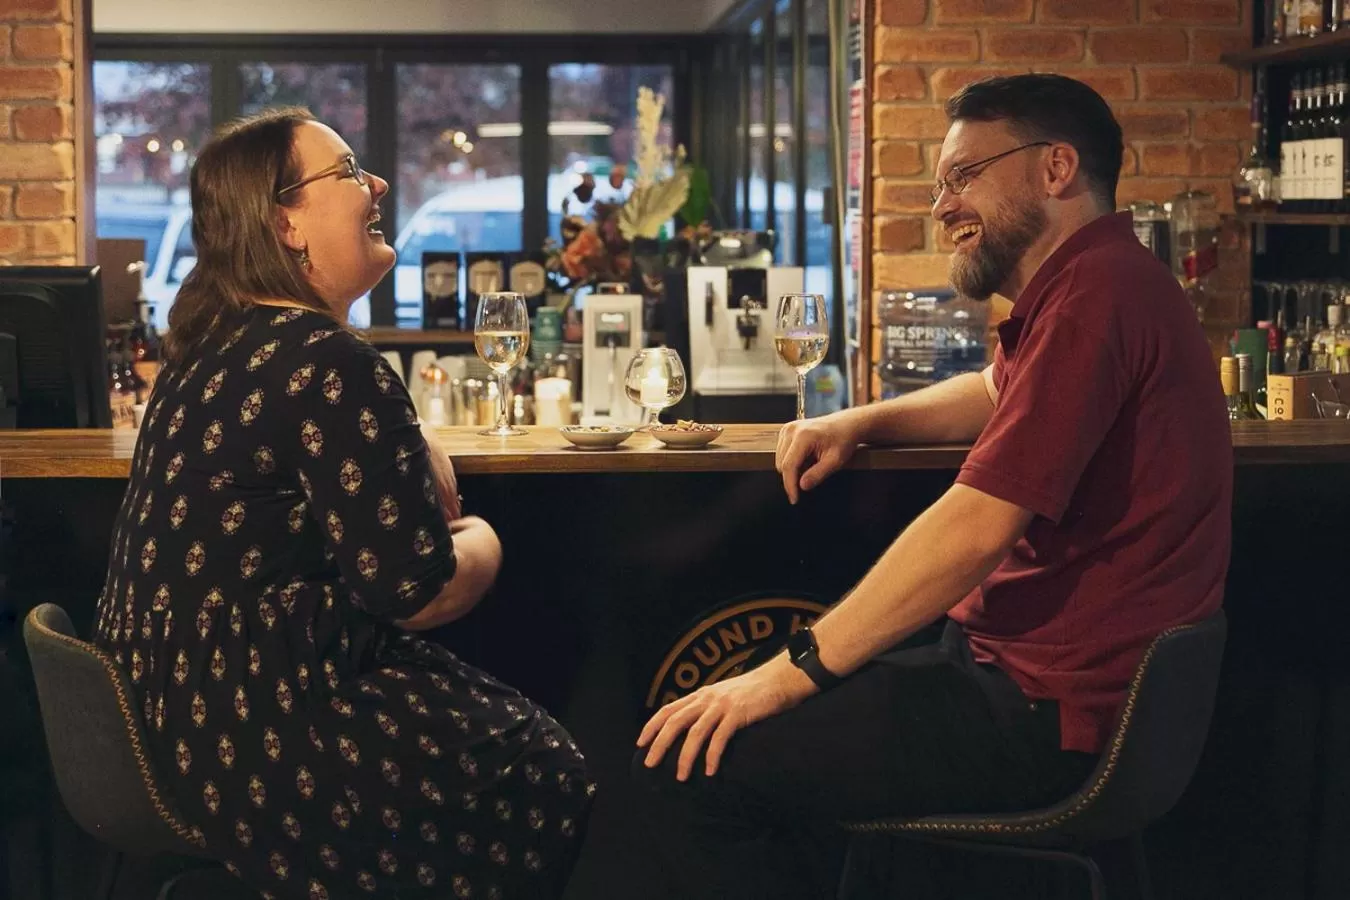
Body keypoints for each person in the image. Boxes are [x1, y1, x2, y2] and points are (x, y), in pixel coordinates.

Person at [632, 73, 1232, 898]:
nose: (944, 205)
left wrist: (787, 673)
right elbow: (992, 391)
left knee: (691, 765)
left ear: (1056, 168)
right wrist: (863, 421)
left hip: (1043, 711)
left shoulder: (1093, 299)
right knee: (740, 724)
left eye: (964, 176)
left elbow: (974, 528)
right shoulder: (1102, 281)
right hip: (1038, 684)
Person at [92, 107, 592, 900]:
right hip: (256, 734)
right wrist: (487, 539)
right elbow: (419, 594)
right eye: (351, 170)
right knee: (546, 770)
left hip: (159, 722)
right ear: (285, 223)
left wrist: (411, 437)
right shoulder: (325, 360)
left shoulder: (208, 348)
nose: (379, 183)